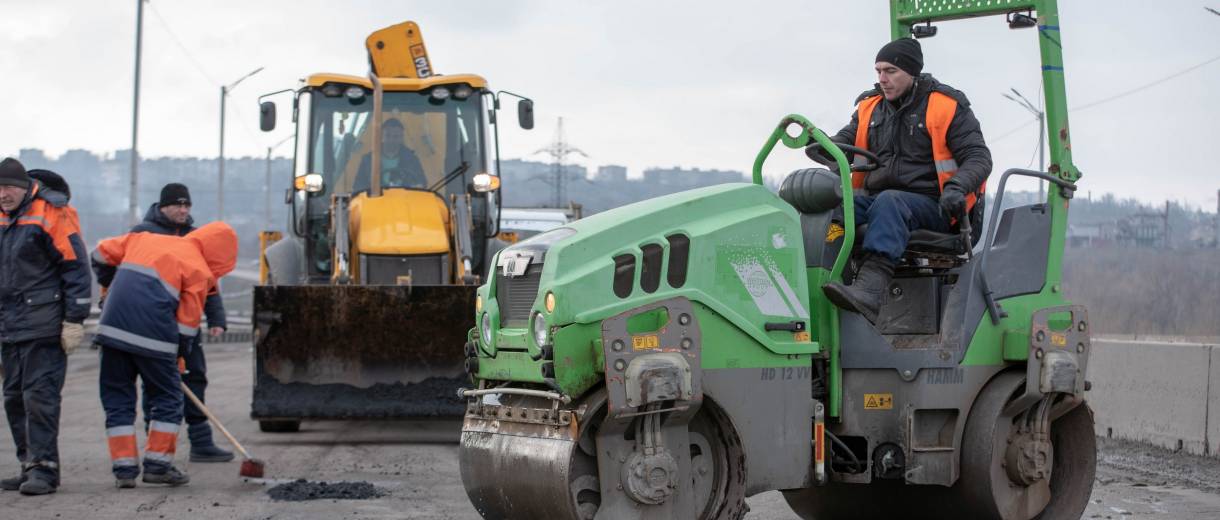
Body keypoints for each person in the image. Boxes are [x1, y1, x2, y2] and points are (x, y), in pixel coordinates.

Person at [820, 38, 992, 323]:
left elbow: (979, 157)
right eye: (878, 71)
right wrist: (823, 144)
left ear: (911, 72)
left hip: (935, 206)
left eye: (890, 71)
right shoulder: (869, 108)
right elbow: (844, 141)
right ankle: (823, 279)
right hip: (880, 204)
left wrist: (957, 187)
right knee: (831, 209)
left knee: (890, 201)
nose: (882, 79)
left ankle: (870, 290)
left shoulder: (946, 106)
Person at [91, 221, 237, 488]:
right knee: (168, 398)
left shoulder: (143, 239)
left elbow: (99, 254)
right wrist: (179, 356)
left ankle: (124, 470)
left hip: (111, 331)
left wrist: (109, 284)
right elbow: (187, 325)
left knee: (117, 399)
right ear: (218, 254)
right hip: (155, 338)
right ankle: (157, 466)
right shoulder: (198, 268)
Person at [0, 158, 91, 495]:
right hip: (9, 327)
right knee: (13, 399)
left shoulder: (52, 212)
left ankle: (45, 470)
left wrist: (74, 319)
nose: (3, 194)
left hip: (44, 324)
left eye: (8, 187)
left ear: (25, 188)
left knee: (39, 398)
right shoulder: (2, 216)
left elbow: (76, 268)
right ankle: (28, 465)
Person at [130, 183, 234, 463]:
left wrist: (217, 317)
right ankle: (155, 444)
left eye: (187, 205)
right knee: (154, 383)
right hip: (151, 323)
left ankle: (201, 441)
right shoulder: (142, 234)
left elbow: (206, 281)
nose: (183, 210)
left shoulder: (194, 238)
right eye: (178, 205)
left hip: (187, 323)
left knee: (195, 377)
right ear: (163, 206)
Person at [354, 118, 428, 192]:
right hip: (376, 198)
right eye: (387, 135)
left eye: (395, 136)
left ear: (401, 138)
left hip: (405, 198)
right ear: (381, 136)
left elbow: (422, 182)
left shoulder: (412, 159)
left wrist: (417, 186)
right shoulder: (368, 160)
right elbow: (358, 186)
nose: (391, 140)